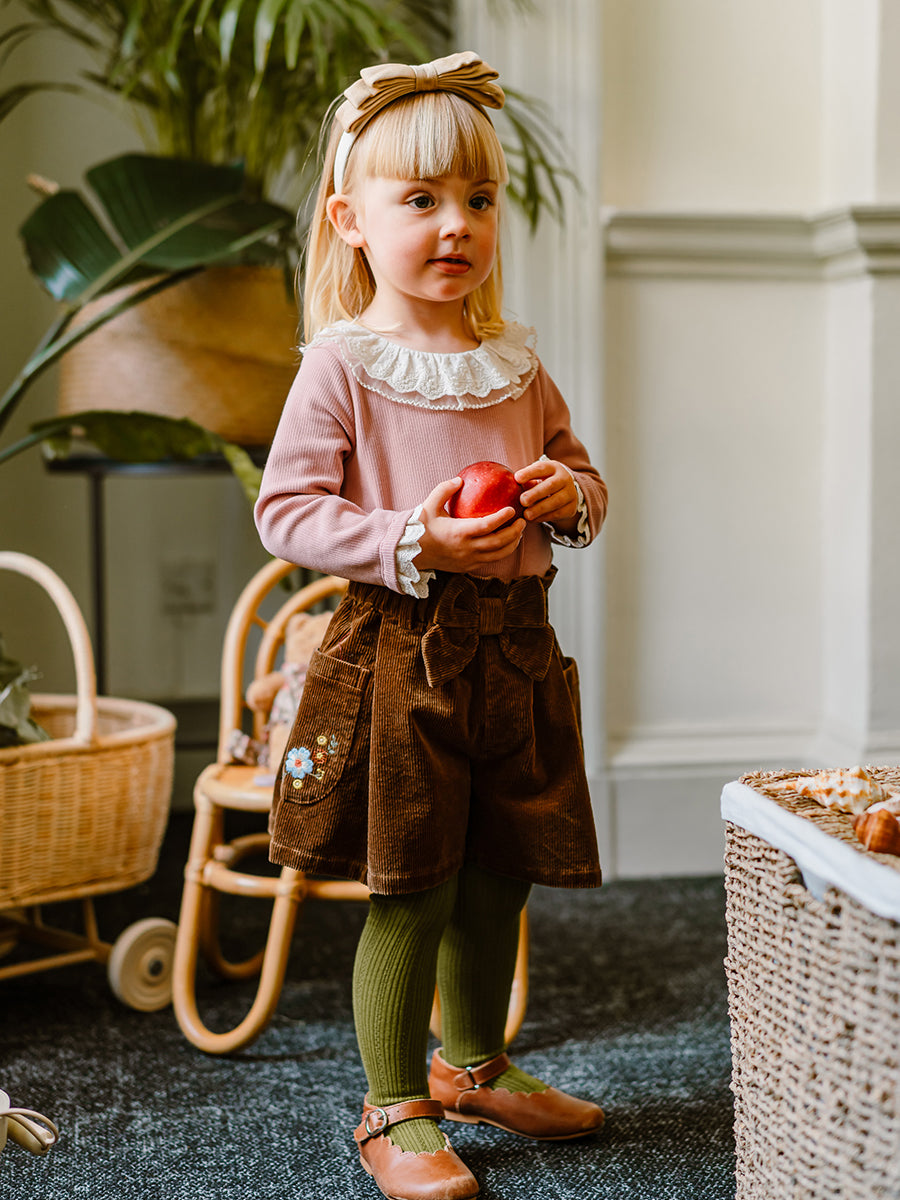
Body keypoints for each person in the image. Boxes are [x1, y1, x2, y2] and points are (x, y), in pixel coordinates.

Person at [254, 49, 608, 1200]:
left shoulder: (514, 362)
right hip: (404, 653)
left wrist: (564, 492)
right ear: (351, 220)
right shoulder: (343, 365)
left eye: (479, 198)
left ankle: (473, 1066)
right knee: (413, 880)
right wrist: (416, 538)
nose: (457, 224)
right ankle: (392, 1105)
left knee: (501, 870)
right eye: (421, 199)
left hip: (516, 652)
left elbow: (584, 479)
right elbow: (286, 512)